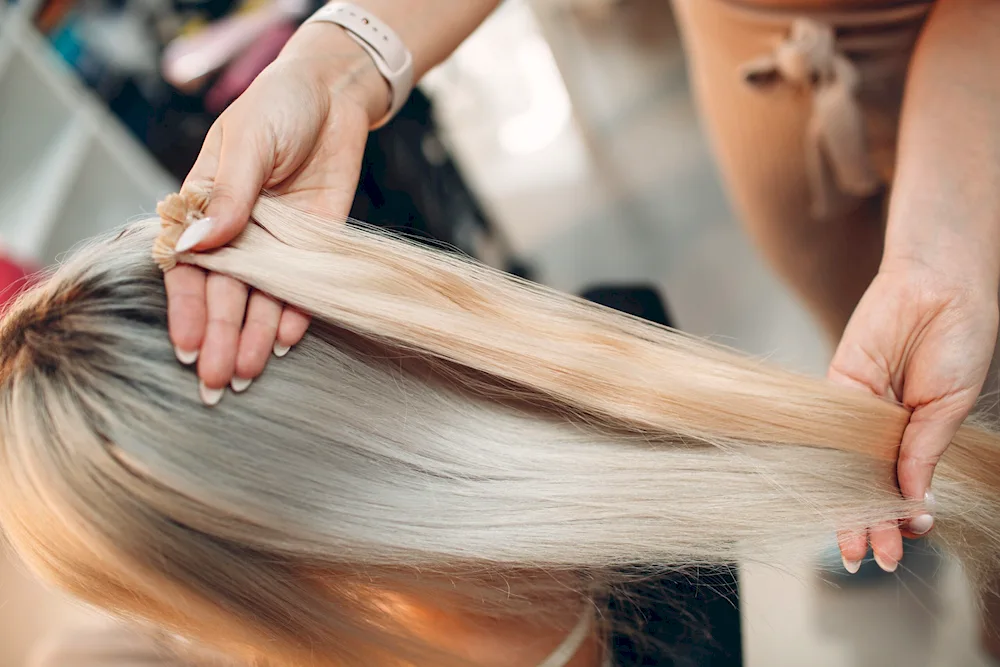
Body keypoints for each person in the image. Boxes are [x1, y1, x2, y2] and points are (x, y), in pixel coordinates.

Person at [162, 0, 1000, 648]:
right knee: (882, 376)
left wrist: (942, 248)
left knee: (960, 387)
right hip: (763, 84)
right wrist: (338, 62)